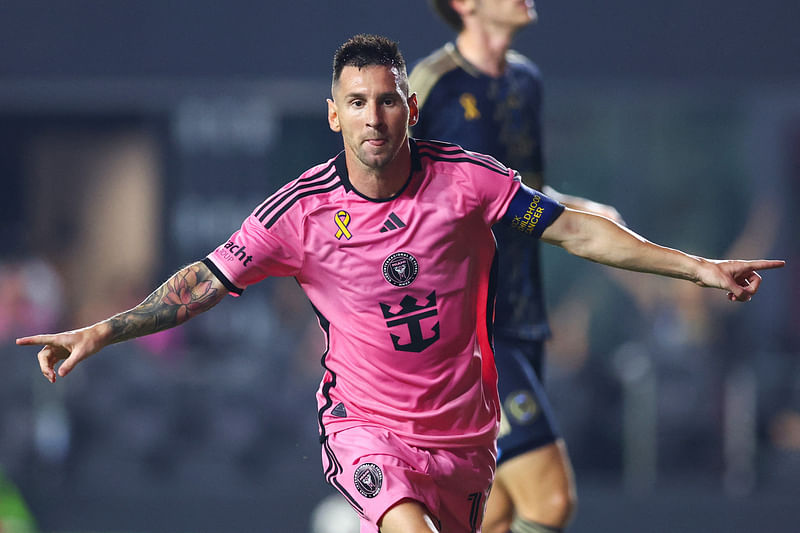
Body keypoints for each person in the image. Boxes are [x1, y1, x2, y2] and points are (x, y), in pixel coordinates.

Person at [16, 34, 783, 533]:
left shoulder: (468, 184)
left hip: (464, 436)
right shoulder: (300, 214)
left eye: (387, 99)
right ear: (333, 115)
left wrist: (697, 267)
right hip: (366, 428)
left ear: (409, 108)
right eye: (357, 102)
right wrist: (101, 329)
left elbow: (578, 228)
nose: (374, 117)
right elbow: (201, 282)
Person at [410, 2, 622, 531]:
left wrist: (581, 210)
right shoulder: (430, 83)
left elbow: (523, 192)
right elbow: (386, 194)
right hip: (467, 328)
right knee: (550, 502)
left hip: (524, 313)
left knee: (494, 512)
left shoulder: (526, 80)